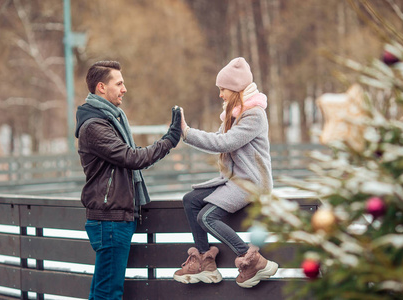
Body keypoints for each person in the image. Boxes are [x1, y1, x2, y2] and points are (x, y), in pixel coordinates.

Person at [75, 60, 181, 299]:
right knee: (108, 292)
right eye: (119, 83)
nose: (124, 89)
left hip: (115, 217)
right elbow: (131, 157)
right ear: (101, 87)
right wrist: (169, 140)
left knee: (103, 290)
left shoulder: (111, 120)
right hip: (110, 219)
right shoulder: (94, 126)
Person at [173, 57, 278, 288]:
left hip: (251, 182)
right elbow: (220, 139)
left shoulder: (254, 115)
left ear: (236, 89)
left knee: (207, 217)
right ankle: (203, 261)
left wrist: (187, 132)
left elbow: (225, 143)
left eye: (223, 89)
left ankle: (253, 260)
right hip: (233, 180)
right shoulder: (232, 114)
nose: (220, 94)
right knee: (190, 200)